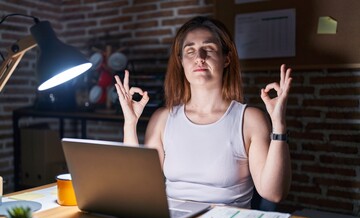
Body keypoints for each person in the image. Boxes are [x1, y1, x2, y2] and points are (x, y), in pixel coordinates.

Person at [114, 16, 292, 208]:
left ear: (226, 59)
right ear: (181, 62)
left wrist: (278, 125)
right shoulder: (162, 119)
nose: (199, 57)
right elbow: (139, 186)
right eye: (190, 51)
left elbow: (273, 194)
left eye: (209, 49)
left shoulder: (249, 119)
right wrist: (130, 124)